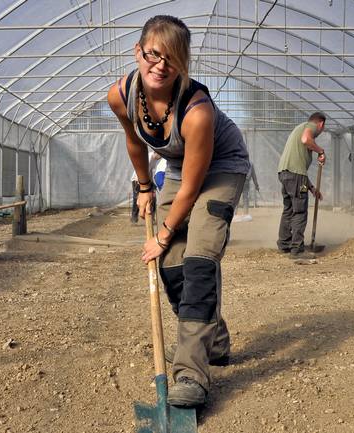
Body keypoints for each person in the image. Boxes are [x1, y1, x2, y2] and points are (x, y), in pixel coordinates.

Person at [108, 15, 250, 407]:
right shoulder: (120, 95)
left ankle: (191, 374)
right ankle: (213, 345)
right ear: (138, 52)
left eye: (171, 58)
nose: (160, 65)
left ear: (182, 63)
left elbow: (192, 187)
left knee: (199, 260)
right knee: (171, 265)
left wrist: (164, 232)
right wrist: (142, 187)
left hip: (221, 167)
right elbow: (134, 141)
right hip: (176, 166)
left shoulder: (197, 110)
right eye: (153, 54)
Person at [276, 112, 326, 258]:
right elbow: (306, 139)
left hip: (284, 173)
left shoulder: (299, 128)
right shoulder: (311, 127)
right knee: (300, 212)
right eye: (322, 128)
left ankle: (284, 244)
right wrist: (320, 151)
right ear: (321, 124)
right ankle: (297, 250)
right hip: (295, 175)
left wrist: (311, 188)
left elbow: (298, 171)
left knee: (289, 210)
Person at [130, 152, 161, 223]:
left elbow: (150, 172)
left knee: (153, 198)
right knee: (137, 199)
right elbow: (142, 170)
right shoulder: (149, 157)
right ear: (155, 153)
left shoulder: (155, 160)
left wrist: (152, 183)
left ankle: (152, 217)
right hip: (137, 179)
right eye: (159, 156)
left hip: (148, 181)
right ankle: (134, 218)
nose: (160, 158)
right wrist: (140, 182)